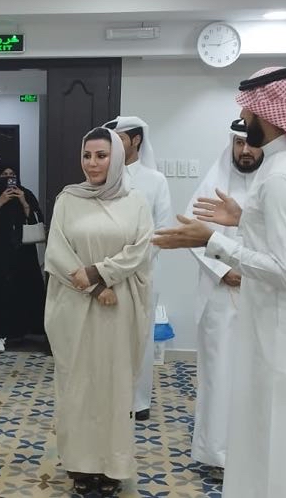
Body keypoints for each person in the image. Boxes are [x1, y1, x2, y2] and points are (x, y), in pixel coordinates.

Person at [152, 67, 286, 498]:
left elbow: (284, 270)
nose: (244, 119)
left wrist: (212, 240)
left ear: (270, 113)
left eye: (248, 110)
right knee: (283, 437)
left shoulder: (281, 176)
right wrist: (244, 218)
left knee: (284, 440)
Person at [44, 127, 153, 497]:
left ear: (116, 158)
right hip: (76, 307)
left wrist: (100, 272)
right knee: (77, 385)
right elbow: (56, 252)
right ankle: (80, 464)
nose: (92, 163)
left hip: (119, 310)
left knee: (113, 386)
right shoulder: (68, 199)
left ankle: (112, 467)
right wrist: (94, 286)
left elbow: (140, 249)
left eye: (101, 156)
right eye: (87, 155)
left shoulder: (135, 201)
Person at [186, 118, 263, 481]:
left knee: (256, 378)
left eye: (251, 144)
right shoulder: (214, 182)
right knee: (219, 376)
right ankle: (217, 456)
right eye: (238, 143)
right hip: (221, 296)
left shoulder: (275, 183)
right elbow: (192, 233)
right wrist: (222, 271)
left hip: (263, 296)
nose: (245, 151)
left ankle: (254, 453)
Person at [103, 115, 172, 421]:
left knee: (140, 337)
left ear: (136, 140)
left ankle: (138, 401)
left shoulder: (155, 181)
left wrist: (130, 264)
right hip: (104, 273)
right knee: (105, 338)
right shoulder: (103, 177)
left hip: (143, 273)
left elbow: (162, 230)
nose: (114, 145)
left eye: (119, 139)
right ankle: (108, 398)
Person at [0, 165, 46, 353]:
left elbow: (36, 219)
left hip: (23, 253)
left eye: (12, 175)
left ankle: (21, 332)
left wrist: (24, 202)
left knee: (23, 290)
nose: (8, 179)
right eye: (4, 175)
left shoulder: (26, 194)